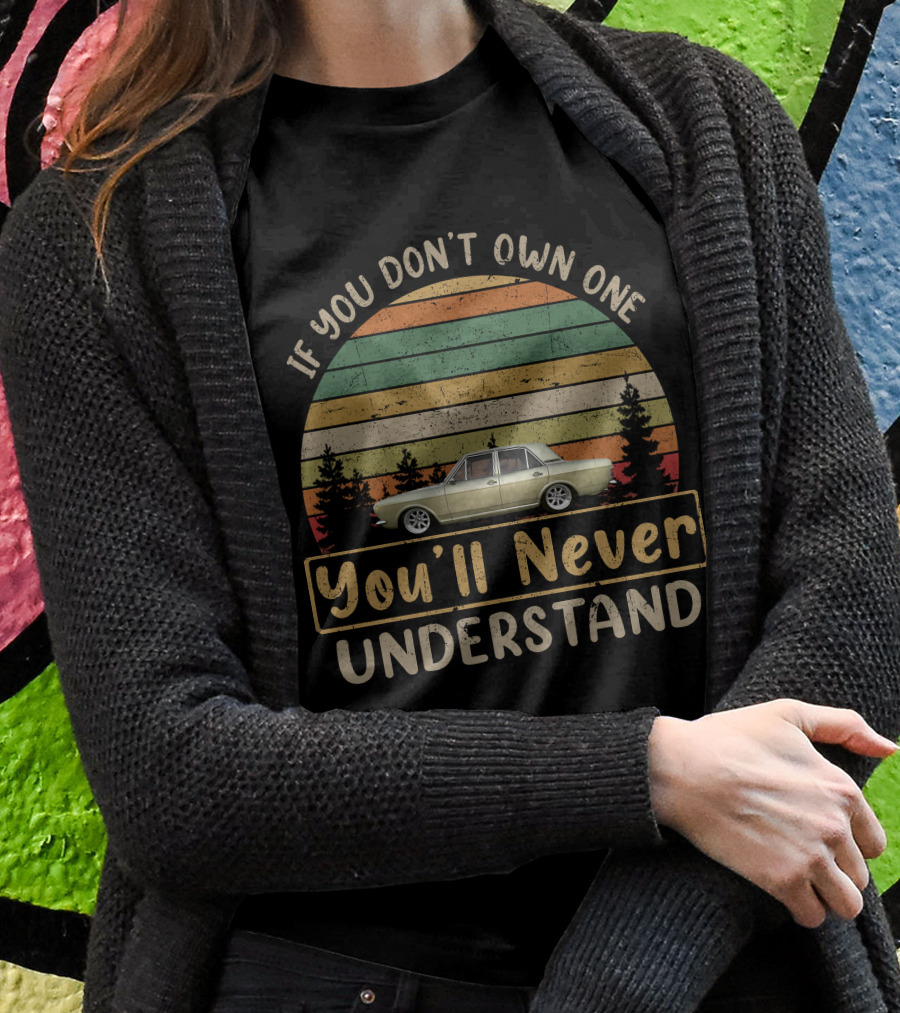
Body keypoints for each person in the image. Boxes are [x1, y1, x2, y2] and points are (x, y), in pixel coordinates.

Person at [1, 0, 899, 1010]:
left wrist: (627, 971)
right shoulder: (100, 238)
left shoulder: (705, 127)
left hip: (714, 966)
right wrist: (648, 772)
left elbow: (852, 603)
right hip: (339, 981)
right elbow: (174, 773)